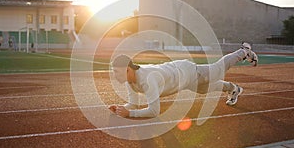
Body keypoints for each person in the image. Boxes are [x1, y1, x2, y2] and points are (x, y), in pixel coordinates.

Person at [109, 42, 258, 118]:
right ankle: (233, 89)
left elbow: (154, 111)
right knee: (203, 89)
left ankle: (243, 51)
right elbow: (133, 103)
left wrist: (130, 114)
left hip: (186, 72)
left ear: (127, 69)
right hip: (182, 80)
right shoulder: (131, 80)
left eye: (116, 71)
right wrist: (122, 108)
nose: (115, 75)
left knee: (217, 71)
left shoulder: (148, 79)